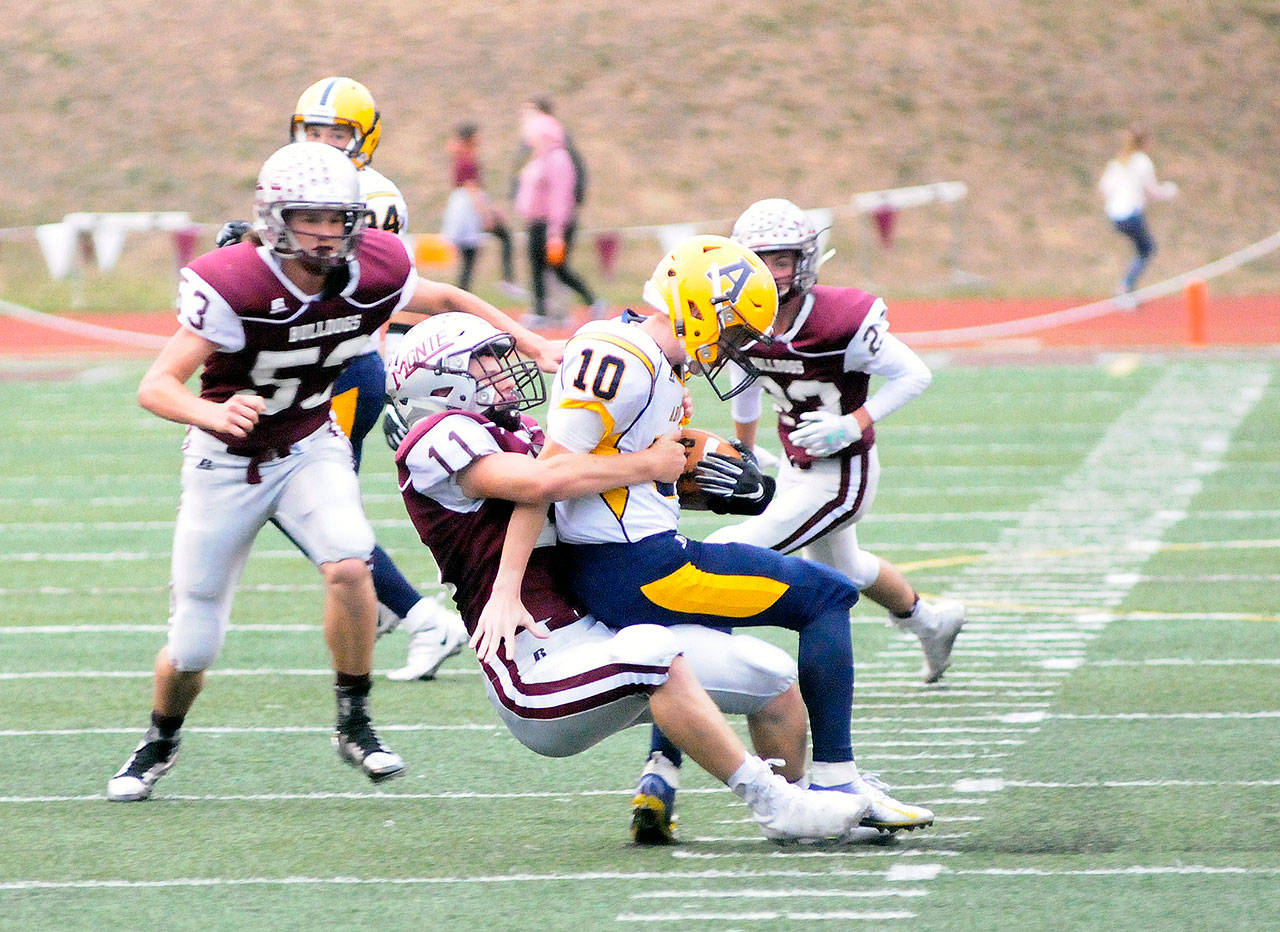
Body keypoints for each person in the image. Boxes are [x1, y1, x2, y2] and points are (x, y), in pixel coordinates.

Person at [382, 312, 871, 844]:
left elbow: (585, 486)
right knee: (650, 650)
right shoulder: (437, 437)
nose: (504, 368)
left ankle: (803, 811)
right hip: (532, 668)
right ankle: (771, 803)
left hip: (595, 640)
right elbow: (537, 482)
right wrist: (648, 463)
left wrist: (690, 477)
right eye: (485, 360)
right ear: (439, 378)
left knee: (771, 678)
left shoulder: (516, 430)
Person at [528, 234, 935, 844]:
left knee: (729, 614)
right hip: (634, 566)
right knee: (826, 595)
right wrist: (651, 472)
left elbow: (620, 467)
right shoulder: (620, 354)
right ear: (698, 306)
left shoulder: (645, 352)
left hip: (632, 556)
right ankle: (834, 780)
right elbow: (552, 475)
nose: (735, 347)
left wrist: (684, 481)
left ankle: (671, 777)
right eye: (735, 331)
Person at [223, 77, 565, 682]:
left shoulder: (369, 197)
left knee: (316, 510)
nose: (324, 144)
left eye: (337, 133)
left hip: (345, 368)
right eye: (313, 132)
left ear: (365, 138)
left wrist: (524, 339)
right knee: (317, 510)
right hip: (315, 369)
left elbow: (377, 290)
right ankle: (387, 605)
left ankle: (416, 616)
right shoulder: (307, 189)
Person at [107, 142, 411, 802]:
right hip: (224, 463)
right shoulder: (234, 282)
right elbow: (156, 385)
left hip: (309, 442)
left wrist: (523, 338)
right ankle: (161, 737)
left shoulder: (377, 267)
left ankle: (353, 717)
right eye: (312, 218)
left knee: (351, 563)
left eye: (339, 218)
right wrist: (209, 414)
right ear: (275, 218)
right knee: (192, 648)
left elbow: (427, 293)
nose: (329, 233)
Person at [513, 107, 599, 322]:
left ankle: (592, 300)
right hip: (536, 221)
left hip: (551, 223)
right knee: (536, 267)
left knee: (557, 267)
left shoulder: (558, 159)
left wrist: (555, 232)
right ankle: (541, 310)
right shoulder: (538, 158)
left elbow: (560, 198)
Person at [1099, 126, 1178, 303]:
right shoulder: (1142, 161)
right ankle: (1125, 288)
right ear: (1144, 142)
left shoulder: (1118, 161)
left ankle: (1126, 288)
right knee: (1147, 249)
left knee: (1142, 249)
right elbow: (1153, 192)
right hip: (1130, 214)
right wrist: (1169, 191)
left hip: (1114, 215)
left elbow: (1104, 189)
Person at [442, 121, 519, 295]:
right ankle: (506, 279)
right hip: (468, 208)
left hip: (463, 204)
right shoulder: (467, 160)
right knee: (498, 239)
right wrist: (486, 214)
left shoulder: (461, 158)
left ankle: (462, 294)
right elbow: (473, 190)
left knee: (469, 257)